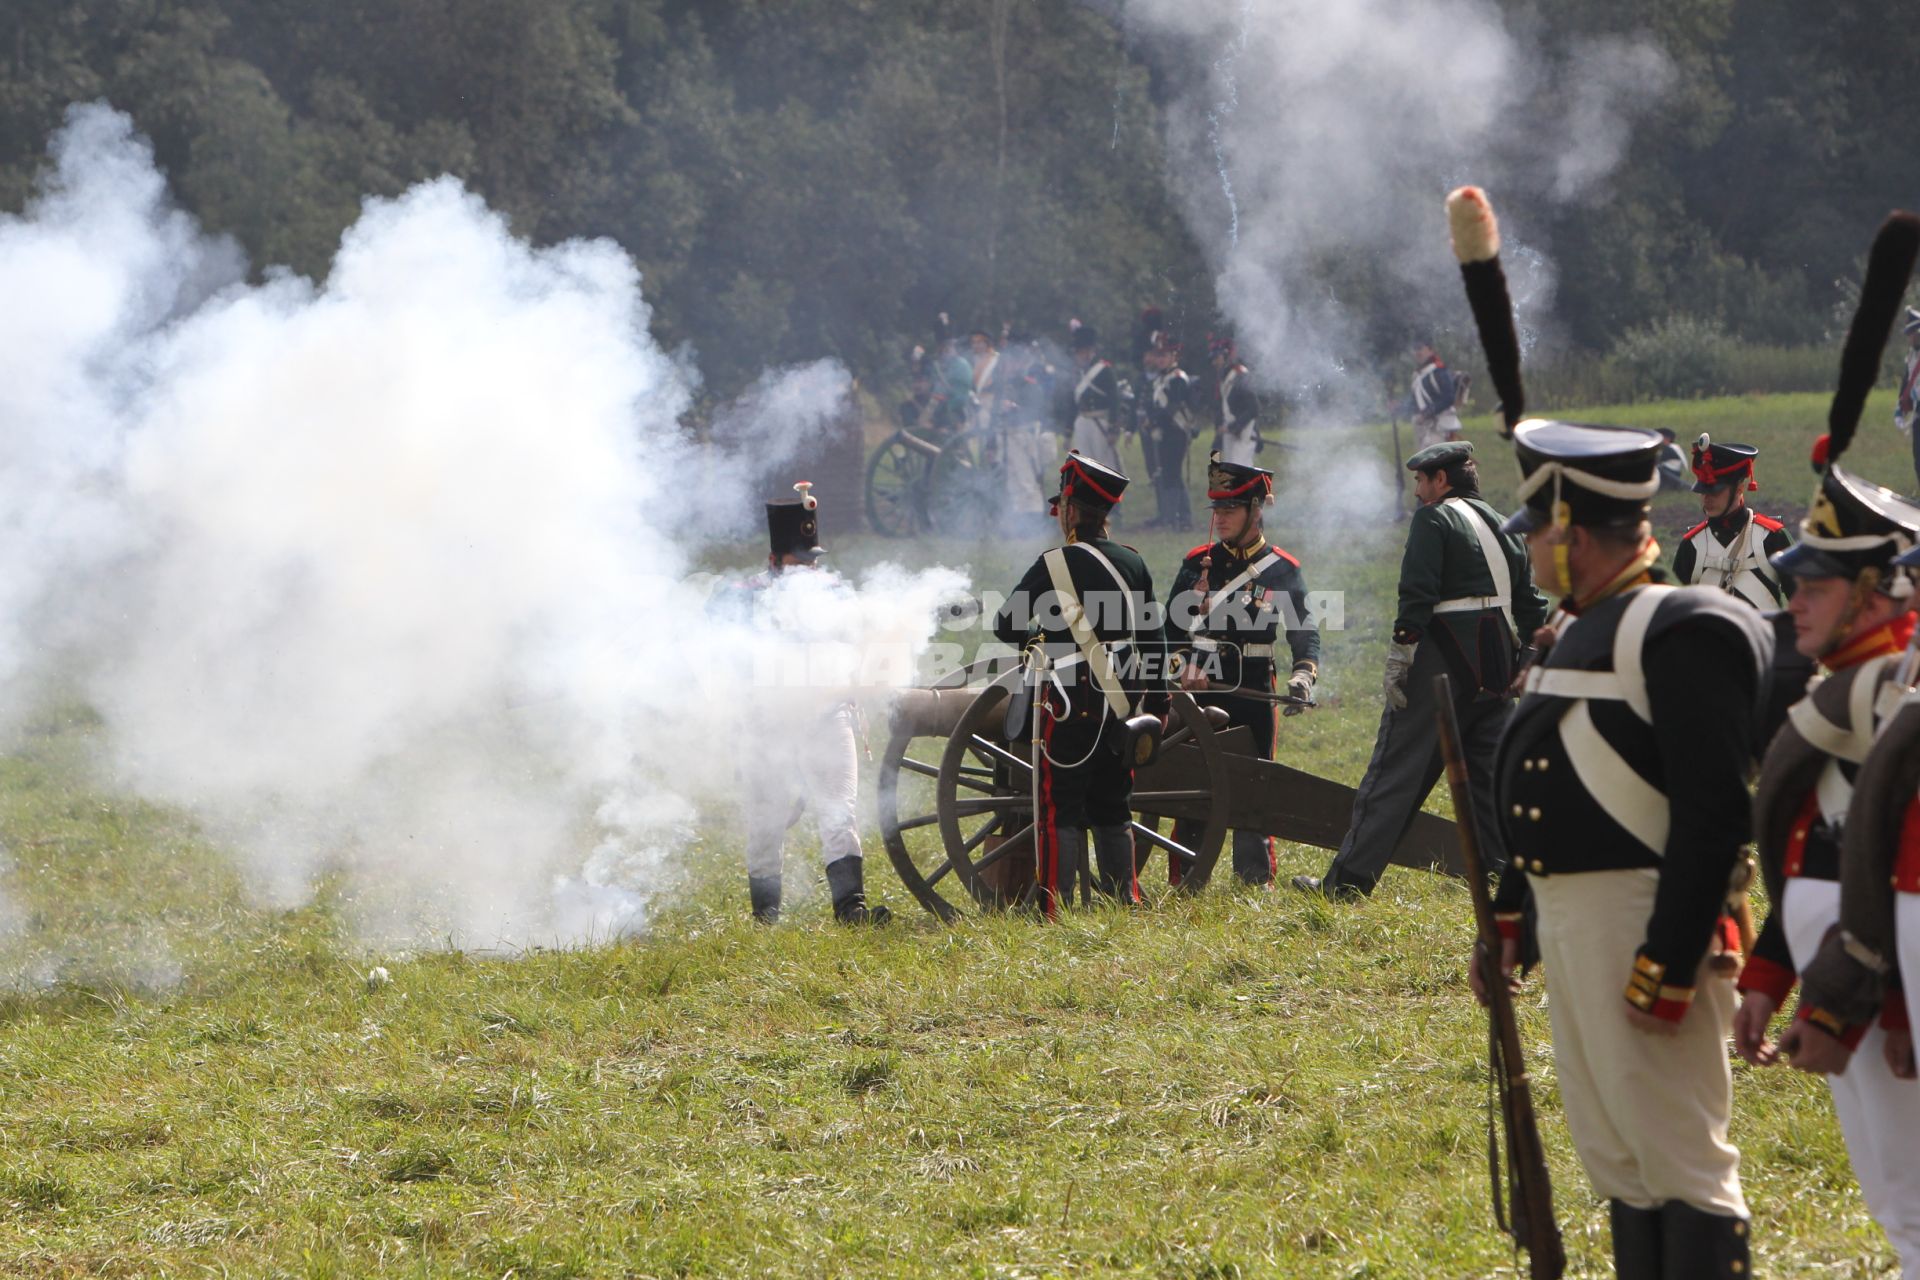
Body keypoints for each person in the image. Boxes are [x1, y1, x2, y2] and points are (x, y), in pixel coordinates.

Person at [1473, 420, 1771, 1278]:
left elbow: (1713, 819)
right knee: (1620, 1165)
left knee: (1681, 1163)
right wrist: (1512, 919)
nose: (1528, 546)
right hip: (1575, 920)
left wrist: (1667, 964)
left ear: (1568, 530)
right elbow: (1550, 786)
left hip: (1644, 920)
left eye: (1535, 529)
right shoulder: (1578, 628)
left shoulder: (1679, 630)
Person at [1733, 455, 1920, 1275]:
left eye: (1816, 585)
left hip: (1880, 994)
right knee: (1898, 1205)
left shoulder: (1891, 694)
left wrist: (1853, 1007)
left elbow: (1891, 872)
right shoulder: (1847, 692)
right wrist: (1771, 972)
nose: (1794, 600)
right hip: (1856, 985)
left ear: (1877, 591)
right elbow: (1822, 853)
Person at [1296, 440, 1547, 900]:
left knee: (1394, 774)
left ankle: (1345, 884)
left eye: (1420, 480)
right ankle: (1506, 878)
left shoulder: (1434, 518)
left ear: (1441, 480)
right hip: (1496, 668)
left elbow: (1417, 592)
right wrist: (1528, 654)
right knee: (1491, 786)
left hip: (1442, 664)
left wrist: (1401, 653)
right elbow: (1533, 605)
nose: (1416, 490)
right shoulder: (1506, 524)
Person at [992, 452, 1168, 916]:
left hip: (1068, 699)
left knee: (1059, 808)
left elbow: (1006, 623)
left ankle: (1053, 909)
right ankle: (1123, 902)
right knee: (1114, 802)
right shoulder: (1133, 563)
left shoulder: (1054, 563)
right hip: (1121, 699)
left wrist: (1040, 638)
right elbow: (1154, 640)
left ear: (1070, 509)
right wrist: (1160, 703)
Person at [719, 484, 890, 926]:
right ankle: (766, 916)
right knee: (764, 820)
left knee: (839, 812)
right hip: (767, 720)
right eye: (801, 558)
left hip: (826, 713)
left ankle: (851, 909)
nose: (807, 569)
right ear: (777, 557)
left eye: (810, 559)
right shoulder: (746, 594)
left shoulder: (831, 591)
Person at [1166, 454, 1320, 885]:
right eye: (1217, 509)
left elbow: (1304, 633)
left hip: (1252, 686)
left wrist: (1303, 674)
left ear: (1257, 509)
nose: (1220, 517)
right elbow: (1168, 632)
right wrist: (1183, 667)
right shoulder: (1198, 562)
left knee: (1255, 785)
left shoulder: (1282, 569)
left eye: (1230, 508)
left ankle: (1254, 881)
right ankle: (1186, 878)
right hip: (1201, 689)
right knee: (1193, 786)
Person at [1671, 435, 1792, 609]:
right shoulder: (1692, 545)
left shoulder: (1772, 537)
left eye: (1715, 492)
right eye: (1703, 492)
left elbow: (1804, 600)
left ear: (1739, 489)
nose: (1707, 499)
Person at [1142, 334, 1198, 530]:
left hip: (1175, 430)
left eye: (1164, 355)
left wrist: (1154, 420)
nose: (1160, 359)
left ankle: (1175, 518)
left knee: (1171, 473)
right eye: (1159, 356)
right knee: (1169, 473)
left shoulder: (1177, 378)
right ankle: (1175, 516)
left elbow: (1172, 407)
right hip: (1165, 431)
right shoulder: (1162, 378)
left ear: (1174, 356)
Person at [1064, 325, 1123, 472]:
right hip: (1082, 422)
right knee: (1083, 465)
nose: (1081, 355)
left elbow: (1114, 400)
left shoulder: (1104, 370)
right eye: (1079, 352)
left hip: (1100, 422)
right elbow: (1073, 403)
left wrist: (1113, 429)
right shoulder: (1076, 372)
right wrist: (1068, 432)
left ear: (1091, 350)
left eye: (1083, 351)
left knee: (1105, 465)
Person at [1209, 336, 1261, 466]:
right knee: (1232, 475)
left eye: (1217, 358)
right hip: (1230, 433)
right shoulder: (1224, 378)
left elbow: (1254, 408)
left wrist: (1234, 427)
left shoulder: (1240, 375)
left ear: (1226, 357)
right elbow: (1222, 409)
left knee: (1241, 472)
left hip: (1244, 431)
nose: (1214, 362)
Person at [1407, 342, 1463, 450]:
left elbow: (1449, 397)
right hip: (1423, 430)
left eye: (1419, 348)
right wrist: (1398, 407)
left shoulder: (1439, 371)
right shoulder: (1417, 375)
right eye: (1415, 349)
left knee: (1436, 463)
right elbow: (1413, 403)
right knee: (1424, 463)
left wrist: (1427, 413)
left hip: (1440, 428)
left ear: (1430, 349)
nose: (1417, 352)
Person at [1900, 308, 1920, 482]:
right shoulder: (1911, 356)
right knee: (1918, 456)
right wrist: (1902, 404)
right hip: (1918, 412)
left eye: (1912, 333)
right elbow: (1907, 380)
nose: (1910, 337)